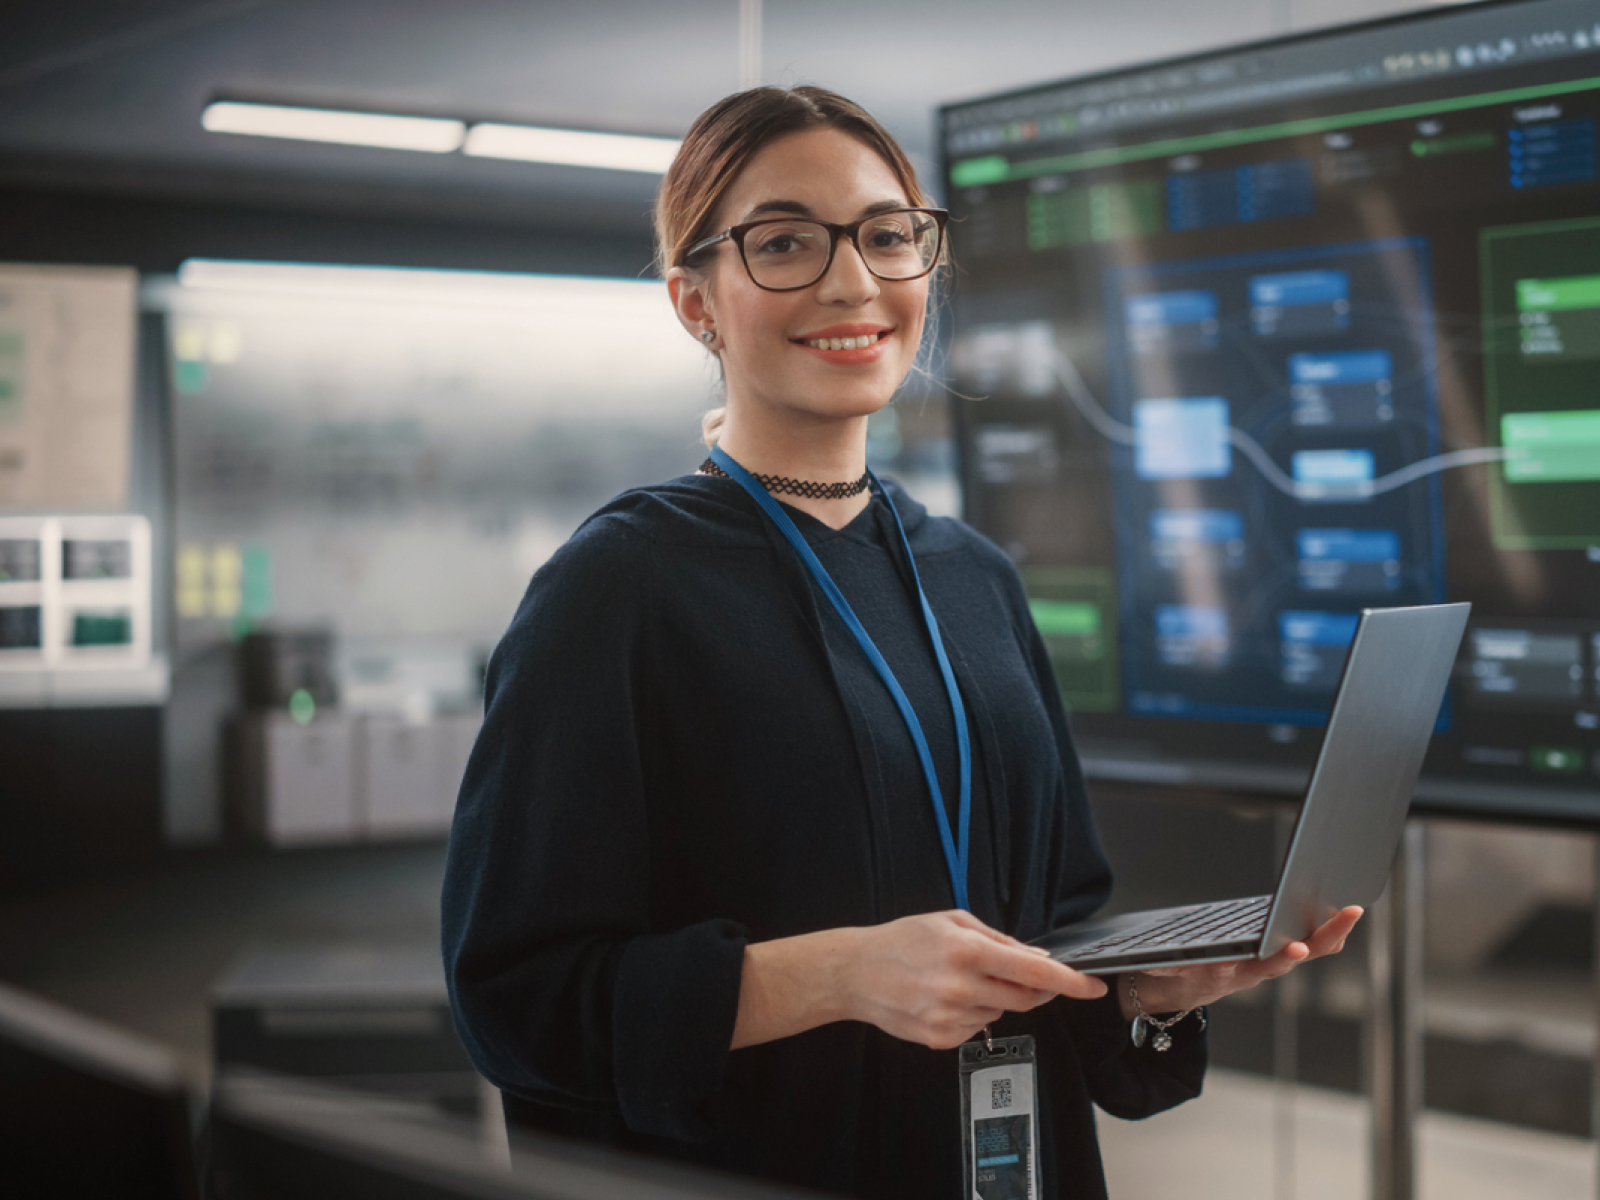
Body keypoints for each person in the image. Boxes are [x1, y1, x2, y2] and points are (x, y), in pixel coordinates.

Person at [441, 85, 1359, 1200]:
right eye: (784, 242)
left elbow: (1060, 917)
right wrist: (836, 975)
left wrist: (1139, 991)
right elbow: (517, 1003)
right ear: (696, 302)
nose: (852, 281)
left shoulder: (976, 577)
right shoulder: (618, 589)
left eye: (887, 237)